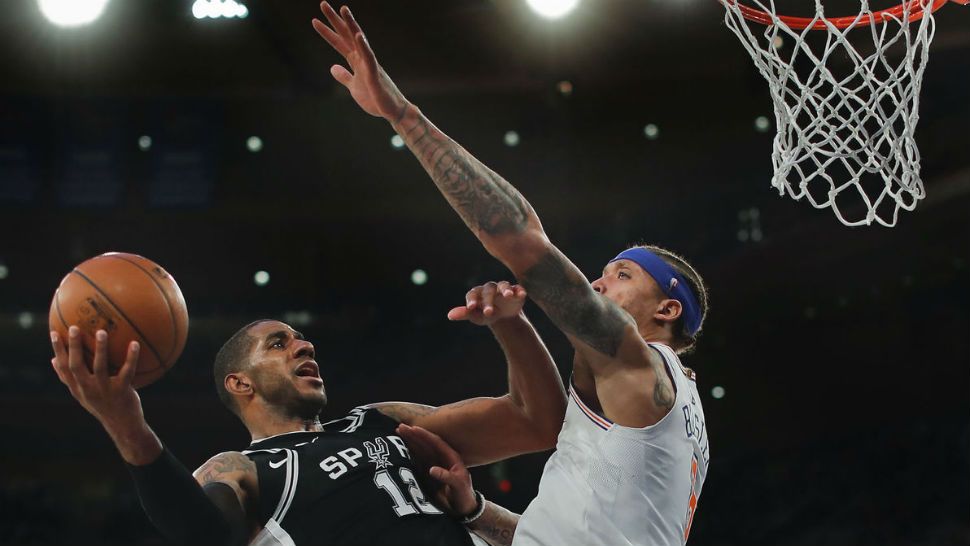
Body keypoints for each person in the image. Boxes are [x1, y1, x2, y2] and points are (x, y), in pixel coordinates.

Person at [313, 3, 712, 545]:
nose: (597, 284)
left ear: (667, 309)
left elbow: (518, 237)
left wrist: (401, 114)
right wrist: (476, 509)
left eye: (621, 275)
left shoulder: (633, 364)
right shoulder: (676, 411)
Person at [50, 281, 566, 546]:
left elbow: (538, 423)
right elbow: (201, 534)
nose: (304, 346)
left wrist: (512, 325)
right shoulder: (241, 468)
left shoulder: (380, 420)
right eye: (279, 343)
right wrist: (125, 423)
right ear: (239, 382)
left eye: (301, 339)